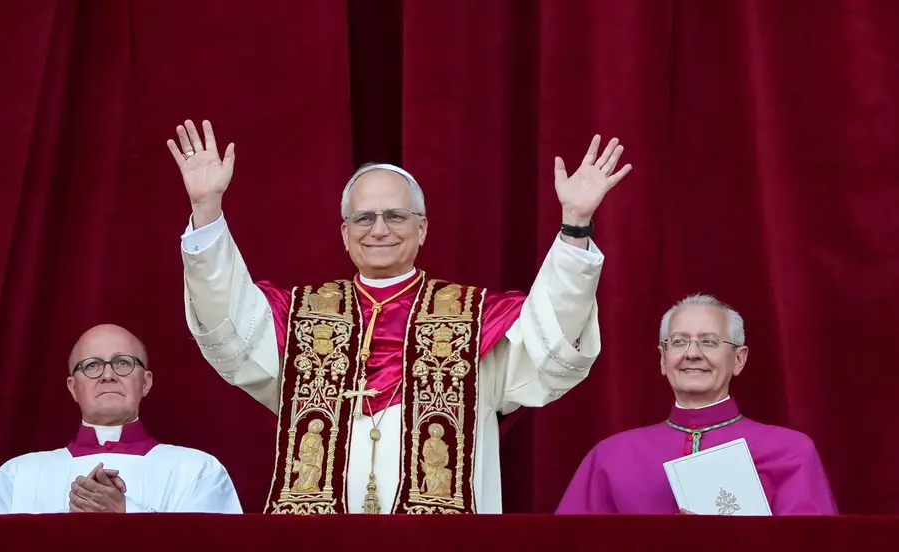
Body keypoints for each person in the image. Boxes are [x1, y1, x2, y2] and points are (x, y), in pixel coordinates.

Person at [170, 119, 632, 514]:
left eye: (396, 215)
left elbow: (551, 338)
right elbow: (228, 327)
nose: (379, 229)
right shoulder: (298, 319)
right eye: (364, 218)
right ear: (344, 233)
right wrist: (206, 210)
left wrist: (575, 224)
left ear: (422, 227)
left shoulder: (476, 321)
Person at [555, 294, 838, 515]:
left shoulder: (791, 452)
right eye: (679, 342)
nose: (692, 354)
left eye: (709, 342)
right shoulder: (610, 457)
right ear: (663, 359)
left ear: (738, 359)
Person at [0, 324, 242, 514]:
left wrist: (126, 515)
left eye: (123, 362)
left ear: (145, 382)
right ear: (72, 387)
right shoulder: (18, 475)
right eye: (91, 365)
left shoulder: (199, 471)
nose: (108, 375)